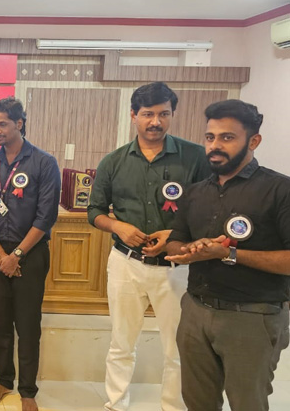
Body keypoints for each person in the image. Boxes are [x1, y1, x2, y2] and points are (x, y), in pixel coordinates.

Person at [87, 82, 210, 411]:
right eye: (147, 114)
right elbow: (94, 211)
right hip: (126, 264)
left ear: (172, 114)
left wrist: (175, 233)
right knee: (121, 343)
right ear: (133, 115)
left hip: (177, 267)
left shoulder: (195, 157)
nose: (156, 122)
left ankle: (173, 406)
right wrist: (118, 226)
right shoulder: (113, 161)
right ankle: (116, 404)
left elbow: (210, 208)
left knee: (177, 348)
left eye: (163, 114)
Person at [165, 99, 290, 411]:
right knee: (197, 402)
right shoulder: (195, 192)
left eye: (227, 137)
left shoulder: (280, 190)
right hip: (195, 312)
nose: (215, 146)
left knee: (247, 403)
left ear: (254, 141)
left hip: (252, 317)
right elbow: (175, 243)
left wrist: (228, 253)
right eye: (210, 137)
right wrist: (192, 251)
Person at [0, 97, 60, 411]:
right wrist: (1, 255)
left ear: (19, 123)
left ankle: (27, 390)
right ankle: (3, 380)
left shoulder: (44, 163)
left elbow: (46, 217)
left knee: (27, 324)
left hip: (31, 255)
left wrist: (17, 255)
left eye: (3, 124)